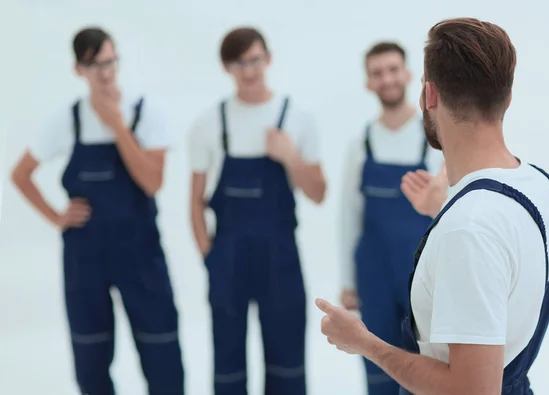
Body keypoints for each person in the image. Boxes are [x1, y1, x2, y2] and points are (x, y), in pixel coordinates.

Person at [316, 17, 549, 395]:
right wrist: (445, 207)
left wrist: (365, 343)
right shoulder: (542, 187)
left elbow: (470, 390)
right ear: (508, 96)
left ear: (428, 96)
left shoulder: (467, 229)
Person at [10, 27, 185, 395]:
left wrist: (118, 126)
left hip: (140, 254)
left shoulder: (144, 112)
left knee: (163, 354)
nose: (106, 73)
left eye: (110, 62)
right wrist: (56, 216)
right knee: (91, 362)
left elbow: (152, 182)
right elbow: (20, 174)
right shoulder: (67, 120)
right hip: (85, 257)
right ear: (78, 70)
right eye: (95, 65)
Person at [187, 26, 326, 395]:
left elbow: (318, 193)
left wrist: (290, 156)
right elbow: (195, 200)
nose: (249, 71)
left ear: (268, 58)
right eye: (239, 63)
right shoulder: (209, 123)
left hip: (280, 258)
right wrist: (209, 257)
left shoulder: (296, 118)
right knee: (228, 369)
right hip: (228, 258)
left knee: (287, 368)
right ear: (226, 67)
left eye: (255, 60)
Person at [338, 42, 444, 395]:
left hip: (420, 271)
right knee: (377, 359)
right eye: (377, 73)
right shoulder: (360, 144)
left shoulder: (432, 140)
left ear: (409, 74)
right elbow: (347, 216)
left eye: (393, 69)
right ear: (368, 82)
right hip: (373, 272)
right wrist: (348, 281)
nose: (386, 78)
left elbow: (448, 212)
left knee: (427, 361)